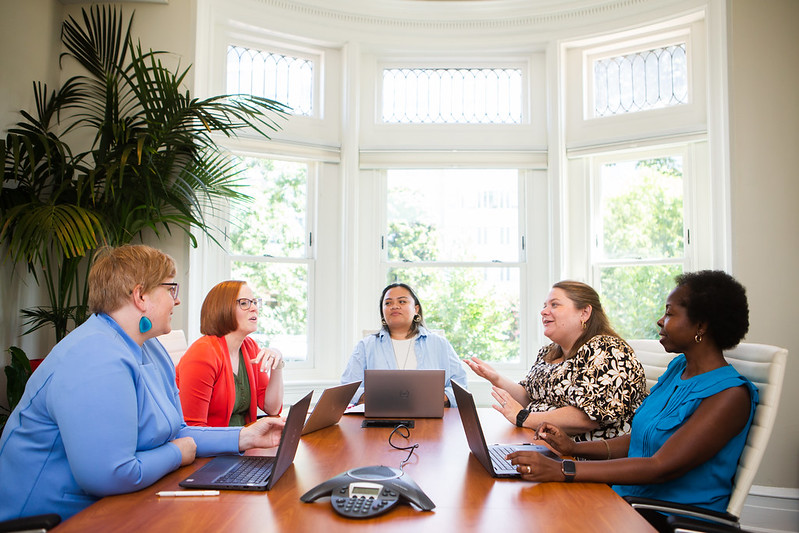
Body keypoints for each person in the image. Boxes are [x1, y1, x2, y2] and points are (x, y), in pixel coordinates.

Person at [0, 245, 286, 522]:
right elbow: (111, 474)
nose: (177, 300)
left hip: (118, 505)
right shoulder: (93, 356)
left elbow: (179, 431)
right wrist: (177, 453)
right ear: (141, 296)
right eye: (171, 289)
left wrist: (245, 438)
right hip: (56, 519)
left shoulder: (149, 347)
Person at [507, 271, 757, 528]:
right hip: (627, 498)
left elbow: (660, 466)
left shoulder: (729, 395)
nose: (661, 321)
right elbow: (640, 439)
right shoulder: (678, 369)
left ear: (701, 326)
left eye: (670, 313)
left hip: (666, 515)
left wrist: (563, 470)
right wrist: (573, 449)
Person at [465, 280, 646, 441]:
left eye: (555, 305)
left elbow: (586, 418)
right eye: (545, 305)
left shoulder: (608, 351)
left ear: (584, 312)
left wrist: (523, 418)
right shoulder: (549, 353)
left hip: (588, 460)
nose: (544, 311)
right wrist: (495, 377)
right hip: (542, 446)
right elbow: (529, 397)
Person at [341, 282, 468, 407]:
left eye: (402, 301)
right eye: (388, 303)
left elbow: (460, 386)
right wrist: (378, 399)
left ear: (416, 309)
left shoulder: (439, 344)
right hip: (379, 420)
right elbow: (347, 389)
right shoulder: (366, 346)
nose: (394, 306)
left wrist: (438, 398)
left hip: (430, 420)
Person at [176, 280, 284, 426]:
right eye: (244, 303)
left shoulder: (250, 347)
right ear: (223, 308)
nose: (254, 308)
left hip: (246, 443)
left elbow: (272, 408)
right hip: (217, 447)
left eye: (254, 302)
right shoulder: (203, 353)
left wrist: (277, 366)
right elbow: (192, 428)